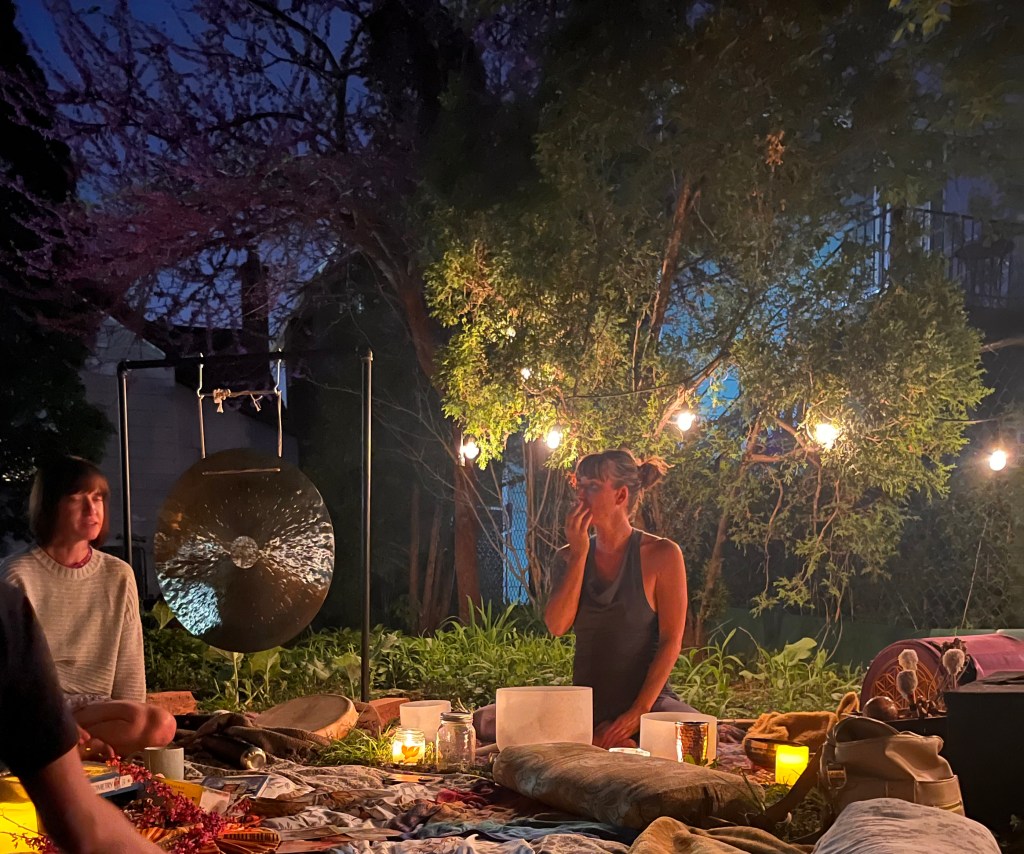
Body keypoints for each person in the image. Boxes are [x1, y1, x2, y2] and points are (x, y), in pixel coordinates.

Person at [0, 456, 175, 759]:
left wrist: (134, 719)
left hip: (96, 712)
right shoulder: (17, 574)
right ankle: (75, 750)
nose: (91, 509)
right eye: (76, 498)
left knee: (160, 724)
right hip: (36, 710)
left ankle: (76, 751)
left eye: (97, 498)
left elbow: (129, 667)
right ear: (50, 506)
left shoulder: (118, 574)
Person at [544, 449, 695, 749]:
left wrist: (638, 712)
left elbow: (671, 641)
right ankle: (600, 741)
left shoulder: (662, 555)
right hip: (586, 704)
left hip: (647, 703)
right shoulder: (569, 556)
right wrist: (580, 554)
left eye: (592, 487)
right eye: (579, 486)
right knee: (495, 719)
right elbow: (557, 626)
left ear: (621, 495)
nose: (580, 497)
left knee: (694, 736)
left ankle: (608, 742)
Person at [1, 580, 165, 853]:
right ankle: (68, 750)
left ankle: (70, 749)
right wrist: (59, 723)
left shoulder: (118, 575)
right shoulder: (13, 593)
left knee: (159, 724)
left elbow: (131, 686)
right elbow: (86, 828)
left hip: (85, 710)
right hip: (51, 704)